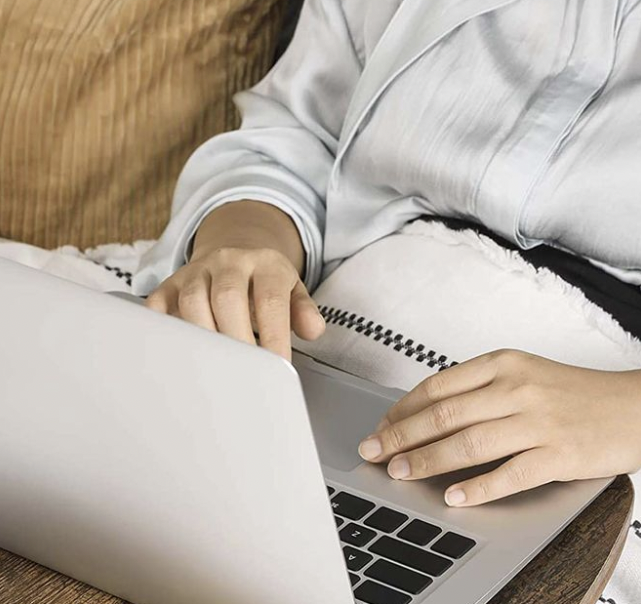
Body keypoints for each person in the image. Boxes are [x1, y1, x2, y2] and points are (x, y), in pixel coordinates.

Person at [134, 0, 641, 508]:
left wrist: (628, 414)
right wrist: (243, 244)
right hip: (311, 333)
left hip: (599, 437)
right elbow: (299, 135)